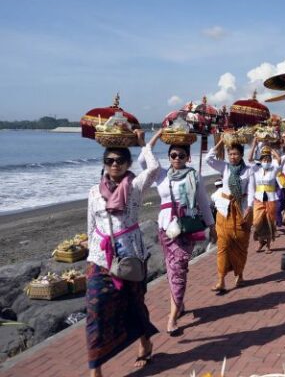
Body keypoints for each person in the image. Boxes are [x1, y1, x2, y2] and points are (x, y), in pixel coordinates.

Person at [85, 129, 161, 376]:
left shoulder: (136, 186)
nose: (114, 164)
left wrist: (143, 145)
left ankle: (144, 343)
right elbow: (90, 226)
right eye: (109, 160)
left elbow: (154, 169)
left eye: (119, 160)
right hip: (100, 258)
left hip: (130, 256)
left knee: (134, 302)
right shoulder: (94, 192)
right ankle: (95, 369)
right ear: (104, 164)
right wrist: (90, 252)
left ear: (128, 163)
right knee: (95, 311)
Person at [142, 139, 214, 336]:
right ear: (168, 157)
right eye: (173, 155)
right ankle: (179, 303)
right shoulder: (161, 175)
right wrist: (153, 137)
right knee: (172, 269)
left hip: (187, 227)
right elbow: (143, 161)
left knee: (178, 267)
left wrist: (211, 225)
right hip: (166, 228)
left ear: (188, 158)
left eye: (182, 156)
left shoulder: (194, 175)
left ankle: (172, 316)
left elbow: (204, 202)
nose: (177, 159)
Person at [206, 139, 254, 293]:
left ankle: (239, 275)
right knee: (223, 244)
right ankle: (221, 279)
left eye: (236, 154)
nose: (233, 156)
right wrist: (221, 141)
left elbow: (252, 190)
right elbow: (208, 159)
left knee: (241, 244)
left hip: (241, 209)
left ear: (241, 155)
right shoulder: (225, 167)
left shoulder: (248, 171)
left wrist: (250, 208)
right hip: (224, 209)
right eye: (230, 153)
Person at [250, 146, 282, 253]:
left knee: (269, 222)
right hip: (258, 198)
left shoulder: (274, 169)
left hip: (271, 198)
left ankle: (267, 245)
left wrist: (272, 150)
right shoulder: (257, 169)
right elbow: (249, 159)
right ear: (260, 161)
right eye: (264, 160)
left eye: (268, 160)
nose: (266, 162)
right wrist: (254, 144)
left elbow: (279, 160)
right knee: (257, 222)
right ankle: (261, 241)